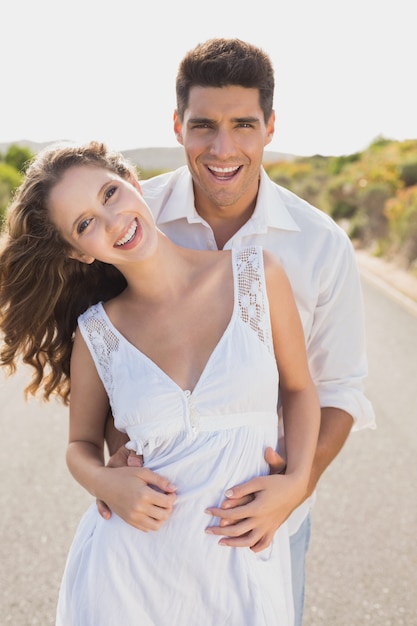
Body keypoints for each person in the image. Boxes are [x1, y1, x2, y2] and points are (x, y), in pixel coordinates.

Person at [97, 37, 376, 625]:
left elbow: (339, 390)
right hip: (148, 527)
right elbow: (101, 351)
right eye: (203, 125)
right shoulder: (126, 222)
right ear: (176, 125)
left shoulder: (319, 245)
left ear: (270, 127)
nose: (223, 148)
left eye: (243, 124)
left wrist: (295, 485)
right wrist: (112, 463)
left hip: (261, 529)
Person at [0, 140, 320, 625]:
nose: (111, 222)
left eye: (109, 193)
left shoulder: (255, 277)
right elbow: (80, 444)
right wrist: (106, 481)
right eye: (85, 224)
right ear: (76, 251)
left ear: (132, 181)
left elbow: (299, 388)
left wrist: (297, 483)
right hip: (126, 584)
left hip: (240, 575)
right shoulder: (97, 334)